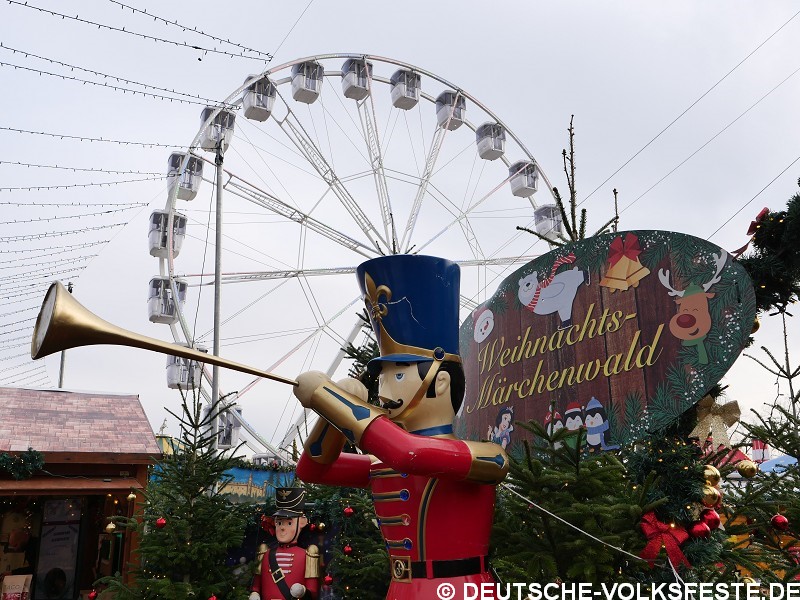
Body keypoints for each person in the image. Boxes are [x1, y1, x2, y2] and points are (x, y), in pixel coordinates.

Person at [293, 255, 509, 600]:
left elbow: (411, 453)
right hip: (401, 590)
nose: (383, 390)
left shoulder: (486, 458)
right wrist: (332, 416)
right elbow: (313, 470)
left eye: (397, 375)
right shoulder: (386, 462)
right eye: (382, 378)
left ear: (439, 383)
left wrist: (330, 399)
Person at [249, 488, 320, 600]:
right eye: (280, 522)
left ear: (302, 522)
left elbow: (313, 592)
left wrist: (302, 591)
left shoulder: (308, 554)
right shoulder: (265, 553)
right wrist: (255, 593)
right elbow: (256, 585)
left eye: (289, 523)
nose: (282, 527)